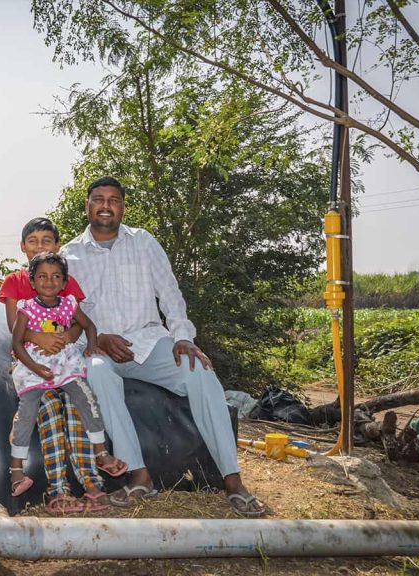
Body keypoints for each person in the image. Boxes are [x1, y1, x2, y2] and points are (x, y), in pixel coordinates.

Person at [61, 176, 266, 516]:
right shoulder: (70, 255)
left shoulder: (143, 242)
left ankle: (232, 480)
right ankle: (139, 476)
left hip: (148, 341)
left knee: (198, 372)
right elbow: (69, 311)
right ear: (88, 205)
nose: (106, 205)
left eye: (114, 199)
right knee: (97, 376)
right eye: (99, 198)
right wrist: (97, 338)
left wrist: (183, 337)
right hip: (100, 346)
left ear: (122, 206)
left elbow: (169, 292)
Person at [0, 218, 111, 513]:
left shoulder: (64, 280)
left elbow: (77, 323)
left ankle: (91, 482)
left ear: (58, 246)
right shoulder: (15, 282)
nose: (39, 247)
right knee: (46, 409)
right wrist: (43, 340)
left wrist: (62, 339)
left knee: (77, 410)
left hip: (63, 359)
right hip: (32, 364)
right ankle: (57, 487)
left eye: (47, 241)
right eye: (32, 241)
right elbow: (15, 330)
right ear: (22, 247)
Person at [8, 252, 128, 499]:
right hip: (35, 367)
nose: (49, 282)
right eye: (42, 276)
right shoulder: (26, 310)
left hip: (65, 365)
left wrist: (91, 346)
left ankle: (100, 452)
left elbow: (89, 326)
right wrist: (35, 368)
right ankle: (16, 469)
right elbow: (17, 344)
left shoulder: (69, 305)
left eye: (56, 277)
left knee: (86, 398)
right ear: (32, 281)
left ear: (64, 282)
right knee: (27, 412)